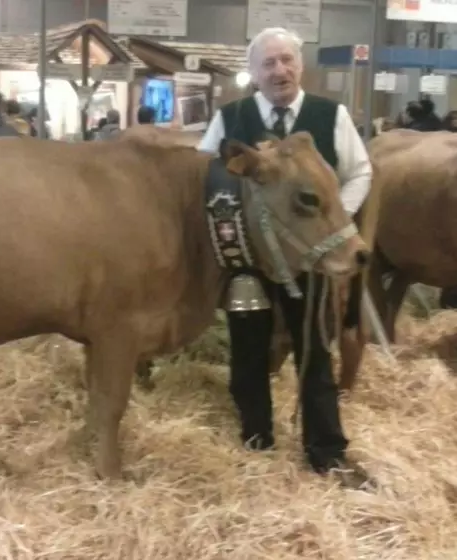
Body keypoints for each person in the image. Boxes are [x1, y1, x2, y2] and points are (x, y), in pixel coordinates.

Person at [197, 27, 374, 489]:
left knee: (315, 354)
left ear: (300, 66)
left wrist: (332, 224)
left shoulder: (329, 115)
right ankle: (256, 440)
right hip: (248, 264)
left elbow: (359, 173)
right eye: (268, 63)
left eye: (286, 60)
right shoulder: (230, 117)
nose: (279, 70)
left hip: (312, 260)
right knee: (248, 351)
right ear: (253, 73)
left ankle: (326, 451)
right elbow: (202, 176)